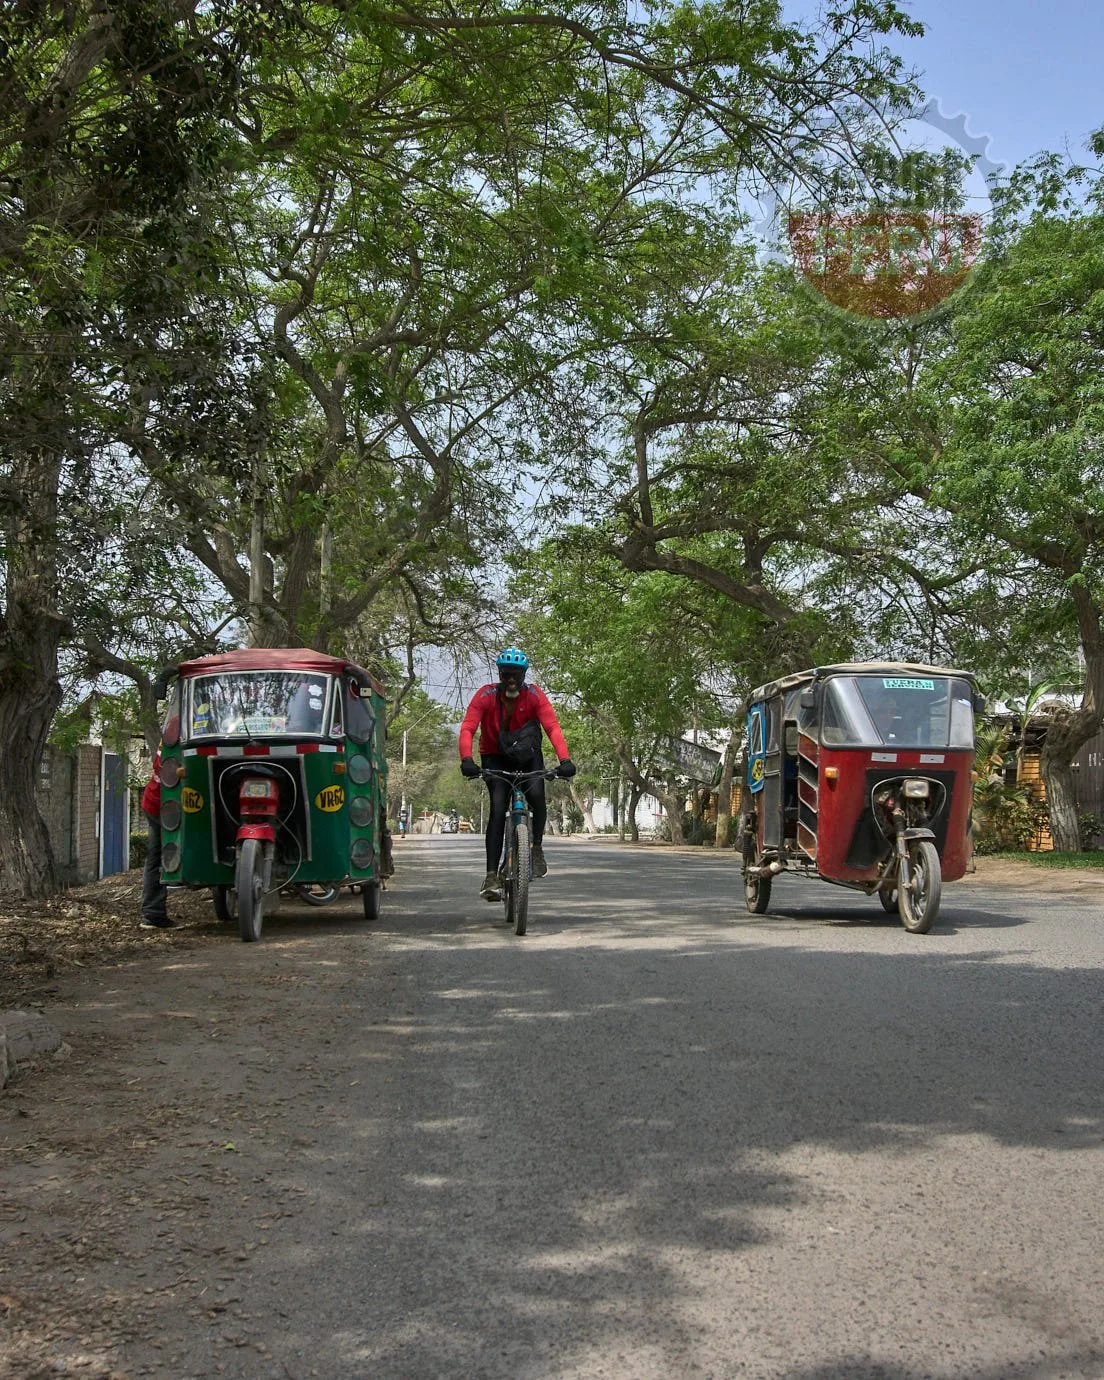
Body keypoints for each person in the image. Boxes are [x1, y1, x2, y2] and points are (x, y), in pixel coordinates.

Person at [459, 647, 576, 901]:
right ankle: (491, 876)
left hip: (528, 755)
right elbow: (468, 727)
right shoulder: (486, 695)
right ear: (500, 674)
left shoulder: (534, 695)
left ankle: (536, 848)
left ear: (524, 676)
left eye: (517, 675)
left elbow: (552, 727)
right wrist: (466, 759)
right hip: (494, 756)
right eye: (507, 675)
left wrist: (565, 759)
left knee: (536, 794)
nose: (511, 680)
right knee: (498, 808)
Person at [139, 751, 176, 930]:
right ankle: (153, 914)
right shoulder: (177, 735)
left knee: (155, 858)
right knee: (158, 857)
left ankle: (152, 913)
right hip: (164, 806)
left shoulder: (174, 731)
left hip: (157, 803)